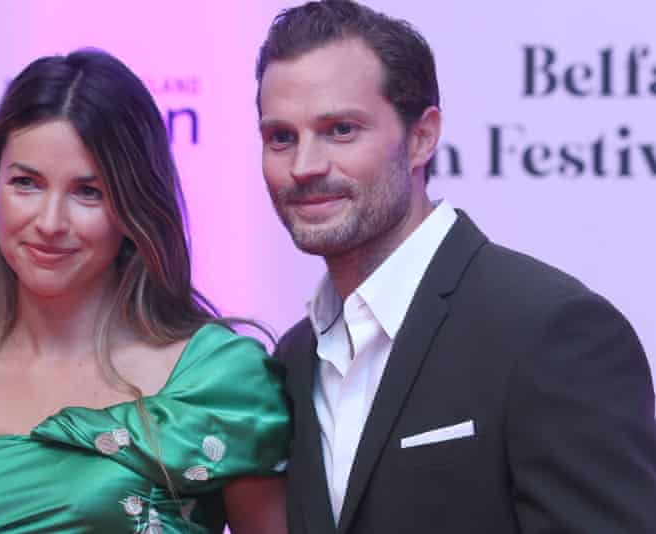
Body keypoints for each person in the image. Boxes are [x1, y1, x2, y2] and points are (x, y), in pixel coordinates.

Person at [0, 49, 289, 533]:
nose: (49, 223)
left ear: (133, 209)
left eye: (88, 191)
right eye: (26, 183)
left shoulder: (216, 380)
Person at [255, 1, 656, 533]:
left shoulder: (549, 331)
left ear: (422, 137)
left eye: (341, 130)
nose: (304, 166)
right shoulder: (294, 357)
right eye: (281, 137)